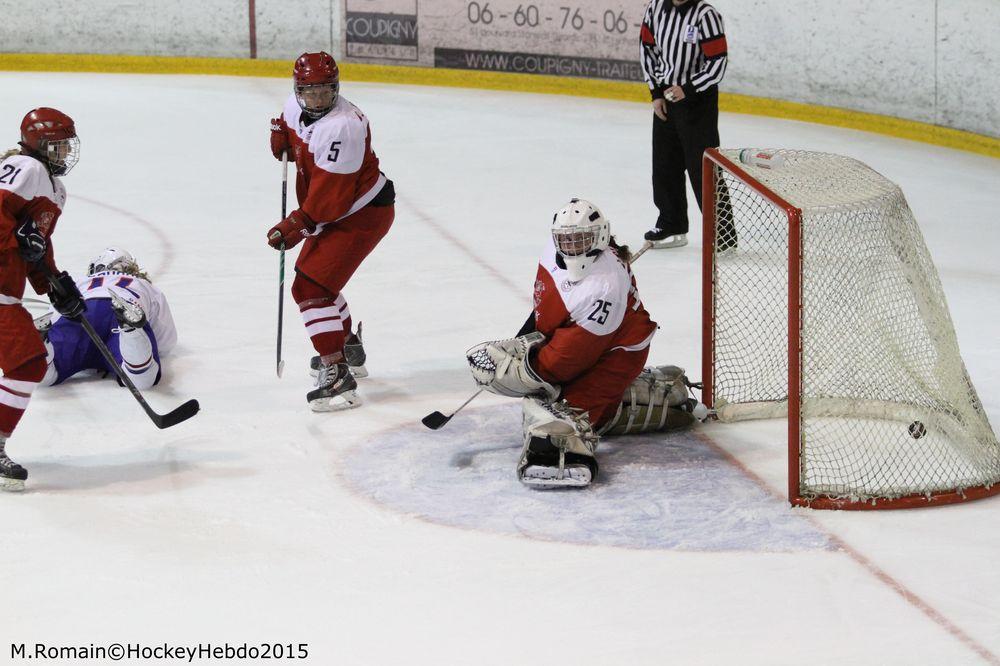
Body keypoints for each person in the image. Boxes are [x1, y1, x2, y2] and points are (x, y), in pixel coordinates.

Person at [467, 199, 707, 488]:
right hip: (595, 341)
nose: (572, 247)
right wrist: (526, 342)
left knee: (560, 413)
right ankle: (649, 396)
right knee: (548, 400)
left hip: (617, 354)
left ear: (601, 236)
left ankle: (656, 408)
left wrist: (523, 372)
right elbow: (551, 304)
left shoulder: (604, 289)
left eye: (581, 239)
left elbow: (566, 361)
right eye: (566, 240)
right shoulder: (552, 252)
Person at [267, 51, 395, 412]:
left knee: (309, 288)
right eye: (310, 92)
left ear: (336, 89)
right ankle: (348, 346)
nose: (318, 99)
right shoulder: (294, 106)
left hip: (362, 213)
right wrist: (282, 137)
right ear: (298, 91)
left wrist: (297, 223)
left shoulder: (345, 126)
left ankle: (337, 375)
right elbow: (290, 126)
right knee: (316, 283)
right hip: (340, 209)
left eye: (325, 92)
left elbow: (330, 199)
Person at [0, 107, 86, 491]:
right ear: (37, 144)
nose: (65, 153)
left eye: (68, 145)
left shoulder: (55, 188)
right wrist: (17, 243)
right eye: (58, 146)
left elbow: (35, 245)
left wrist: (54, 284)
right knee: (29, 361)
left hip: (6, 291)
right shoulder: (26, 168)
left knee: (30, 361)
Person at [640, 0, 736, 250]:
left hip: (697, 102)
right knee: (664, 164)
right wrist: (656, 93)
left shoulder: (706, 15)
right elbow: (647, 50)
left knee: (702, 168)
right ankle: (672, 223)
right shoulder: (655, 8)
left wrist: (688, 89)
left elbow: (717, 62)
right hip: (667, 99)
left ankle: (723, 235)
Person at [34, 247, 177, 391]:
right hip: (117, 313)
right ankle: (130, 330)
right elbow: (166, 342)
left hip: (79, 314)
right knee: (141, 380)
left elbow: (55, 315)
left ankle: (42, 343)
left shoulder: (80, 281)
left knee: (44, 375)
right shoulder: (142, 284)